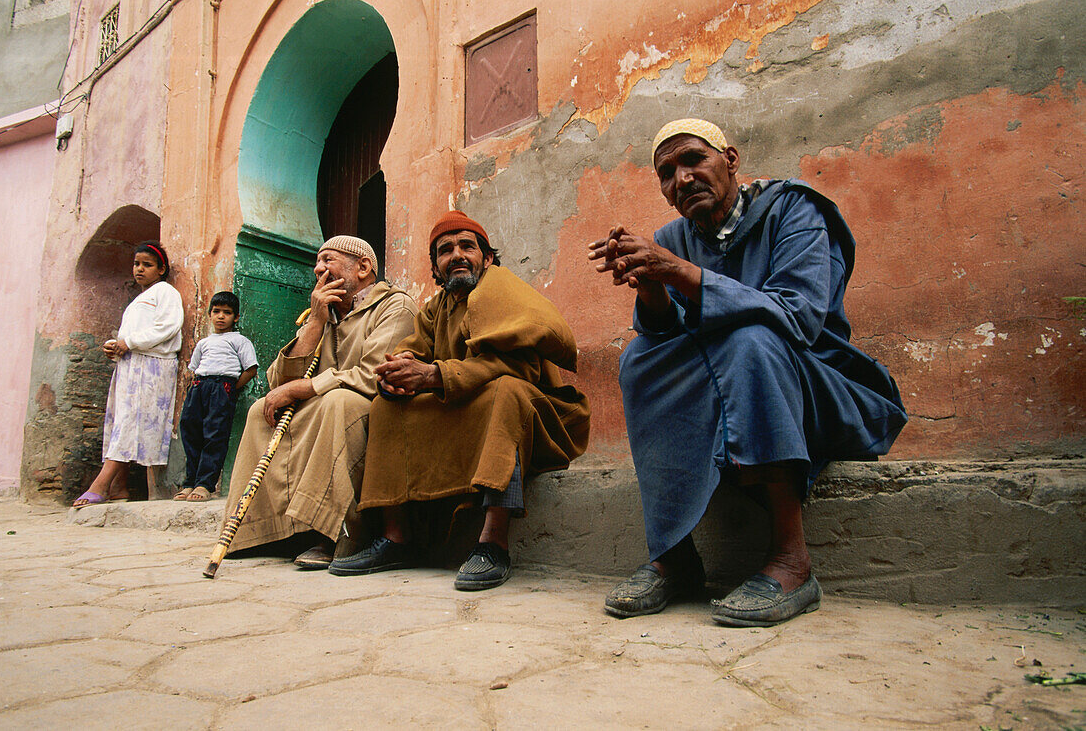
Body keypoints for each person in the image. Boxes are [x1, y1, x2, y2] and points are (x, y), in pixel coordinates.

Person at [589, 119, 907, 626]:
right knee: (638, 359)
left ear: (730, 160)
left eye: (695, 160)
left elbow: (798, 316)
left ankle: (791, 560)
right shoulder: (673, 238)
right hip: (724, 384)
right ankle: (674, 556)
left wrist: (675, 271)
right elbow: (666, 337)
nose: (683, 178)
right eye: (667, 173)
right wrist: (649, 286)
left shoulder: (794, 209)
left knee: (751, 340)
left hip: (817, 387)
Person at [329, 211, 590, 590]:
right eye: (445, 250)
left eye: (468, 246)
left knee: (506, 392)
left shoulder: (501, 288)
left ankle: (493, 543)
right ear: (436, 266)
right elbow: (412, 351)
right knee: (385, 405)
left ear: (487, 257)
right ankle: (396, 537)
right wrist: (398, 373)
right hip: (467, 408)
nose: (457, 255)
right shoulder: (438, 307)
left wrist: (434, 376)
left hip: (541, 416)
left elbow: (518, 369)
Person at [221, 235, 418, 569]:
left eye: (329, 260)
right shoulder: (321, 314)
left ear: (364, 267)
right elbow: (278, 383)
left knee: (337, 402)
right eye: (317, 262)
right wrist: (314, 323)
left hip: (375, 407)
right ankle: (271, 530)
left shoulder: (394, 306)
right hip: (327, 402)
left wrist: (306, 388)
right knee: (260, 411)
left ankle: (332, 533)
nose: (318, 269)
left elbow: (376, 375)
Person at [73, 241, 184, 508]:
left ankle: (100, 485)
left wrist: (130, 343)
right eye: (136, 264)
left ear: (161, 269)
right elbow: (130, 335)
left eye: (147, 264)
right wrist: (117, 346)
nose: (140, 269)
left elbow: (168, 327)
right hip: (130, 366)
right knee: (120, 420)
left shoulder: (165, 292)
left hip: (151, 367)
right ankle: (118, 486)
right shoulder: (137, 301)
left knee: (131, 421)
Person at [175, 291, 259, 502]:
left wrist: (230, 390)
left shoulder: (239, 341)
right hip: (199, 386)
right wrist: (196, 388)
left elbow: (250, 370)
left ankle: (205, 484)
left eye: (227, 313)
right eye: (217, 311)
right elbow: (194, 368)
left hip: (223, 387)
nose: (221, 316)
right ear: (210, 314)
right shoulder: (204, 343)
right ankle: (189, 483)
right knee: (190, 430)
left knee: (215, 434)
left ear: (236, 317)